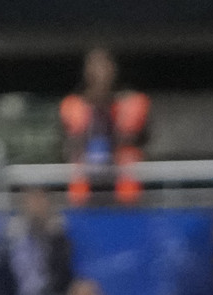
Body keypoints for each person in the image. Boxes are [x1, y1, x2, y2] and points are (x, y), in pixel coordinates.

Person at [58, 47, 151, 207]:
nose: (99, 72)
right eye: (94, 66)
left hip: (125, 193)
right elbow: (65, 145)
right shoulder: (71, 106)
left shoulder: (132, 103)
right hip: (84, 193)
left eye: (104, 65)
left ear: (113, 69)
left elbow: (142, 140)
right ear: (86, 71)